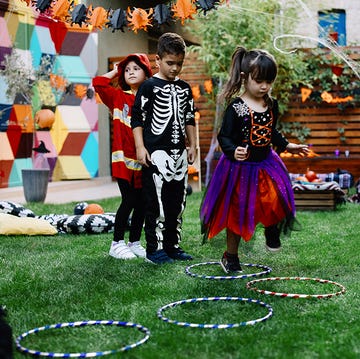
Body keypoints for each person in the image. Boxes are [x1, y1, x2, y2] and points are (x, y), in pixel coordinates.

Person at [200, 47, 310, 273]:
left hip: (266, 163)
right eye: (259, 81)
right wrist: (232, 150)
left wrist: (287, 145)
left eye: (269, 81)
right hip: (239, 169)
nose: (264, 87)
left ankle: (272, 229)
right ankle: (230, 256)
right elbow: (224, 136)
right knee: (237, 213)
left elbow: (271, 132)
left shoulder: (271, 104)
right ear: (244, 78)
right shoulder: (236, 108)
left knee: (275, 198)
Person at [131, 32, 197, 264]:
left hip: (179, 153)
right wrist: (140, 147)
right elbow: (137, 118)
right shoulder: (148, 86)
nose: (175, 68)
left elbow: (190, 118)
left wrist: (193, 145)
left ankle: (173, 245)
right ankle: (154, 249)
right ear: (157, 60)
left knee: (176, 203)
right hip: (155, 154)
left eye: (179, 64)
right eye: (170, 63)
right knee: (156, 204)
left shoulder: (185, 88)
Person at [92, 53, 152, 259]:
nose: (131, 72)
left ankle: (135, 242)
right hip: (123, 160)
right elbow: (98, 83)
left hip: (144, 159)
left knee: (143, 202)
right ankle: (116, 243)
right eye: (127, 70)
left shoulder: (150, 100)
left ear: (146, 73)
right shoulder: (118, 97)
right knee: (129, 200)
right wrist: (117, 70)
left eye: (136, 68)